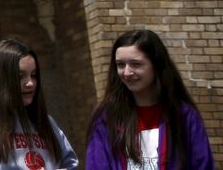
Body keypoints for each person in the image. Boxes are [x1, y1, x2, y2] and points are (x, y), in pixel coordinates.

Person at [86, 29, 214, 170]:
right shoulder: (106, 119)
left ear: (156, 65)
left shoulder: (183, 115)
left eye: (136, 64)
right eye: (121, 65)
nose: (127, 72)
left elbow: (202, 165)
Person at [0, 38, 78, 170]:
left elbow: (70, 163)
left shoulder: (46, 123)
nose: (30, 83)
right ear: (1, 79)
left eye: (33, 75)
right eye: (20, 76)